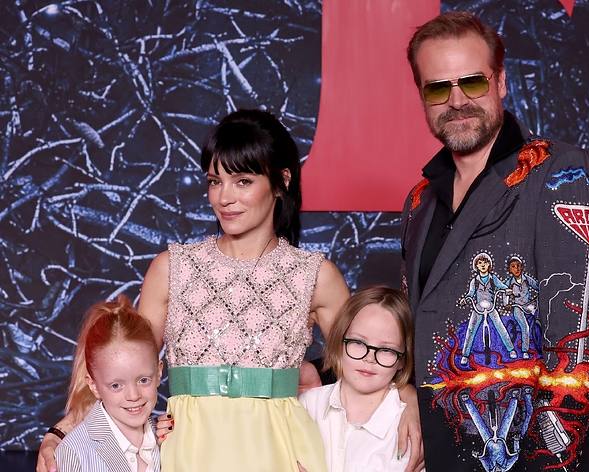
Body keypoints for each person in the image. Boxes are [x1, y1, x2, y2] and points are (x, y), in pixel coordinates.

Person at [38, 109, 423, 472]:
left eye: (243, 181)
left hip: (282, 452)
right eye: (215, 181)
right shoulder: (171, 268)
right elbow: (122, 368)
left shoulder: (315, 275)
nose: (224, 197)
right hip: (189, 450)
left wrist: (410, 403)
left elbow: (372, 359)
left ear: (281, 182)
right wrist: (61, 431)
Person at [400, 11, 589, 472]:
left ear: (501, 82)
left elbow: (581, 349)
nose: (457, 101)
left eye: (473, 83)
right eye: (439, 88)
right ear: (422, 97)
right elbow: (421, 329)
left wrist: (543, 459)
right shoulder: (420, 199)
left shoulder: (562, 174)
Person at [298, 285, 415, 472]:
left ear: (403, 359)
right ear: (340, 341)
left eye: (386, 350)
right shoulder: (307, 405)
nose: (369, 358)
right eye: (359, 343)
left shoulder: (407, 427)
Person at [54, 295, 162, 472]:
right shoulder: (73, 452)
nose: (133, 395)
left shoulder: (169, 439)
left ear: (158, 373)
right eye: (116, 385)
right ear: (93, 385)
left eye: (143, 380)